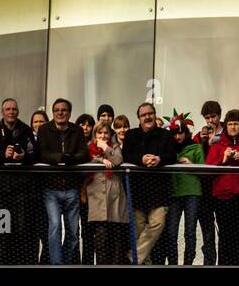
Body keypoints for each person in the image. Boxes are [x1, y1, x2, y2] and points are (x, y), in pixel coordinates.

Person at [0, 97, 37, 264]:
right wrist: (2, 156)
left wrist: (23, 157)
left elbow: (35, 154)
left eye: (14, 109)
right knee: (2, 229)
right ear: (2, 112)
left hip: (21, 191)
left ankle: (18, 264)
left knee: (20, 230)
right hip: (0, 192)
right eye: (8, 109)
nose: (11, 112)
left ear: (18, 111)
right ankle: (2, 264)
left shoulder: (26, 130)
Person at [122, 101, 178, 264]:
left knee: (157, 223)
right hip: (137, 191)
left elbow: (172, 156)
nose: (147, 117)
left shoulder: (165, 135)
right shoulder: (131, 135)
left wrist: (159, 160)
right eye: (143, 115)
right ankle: (145, 265)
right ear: (138, 118)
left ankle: (134, 258)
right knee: (139, 232)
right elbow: (126, 156)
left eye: (150, 114)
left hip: (159, 191)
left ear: (155, 115)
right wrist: (141, 159)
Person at [37, 98, 89, 265]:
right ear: (53, 113)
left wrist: (71, 159)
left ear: (69, 113)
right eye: (57, 110)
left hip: (72, 188)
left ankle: (65, 262)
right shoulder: (44, 129)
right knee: (55, 228)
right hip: (51, 188)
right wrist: (60, 158)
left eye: (64, 110)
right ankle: (57, 265)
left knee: (73, 232)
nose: (60, 113)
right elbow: (42, 153)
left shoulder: (77, 130)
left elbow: (84, 154)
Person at [207, 108, 239, 266]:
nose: (233, 127)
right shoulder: (217, 145)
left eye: (236, 124)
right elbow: (208, 170)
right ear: (226, 126)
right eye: (230, 124)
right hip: (222, 198)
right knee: (225, 237)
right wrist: (223, 159)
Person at [164, 113, 205, 265]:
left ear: (186, 132)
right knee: (171, 232)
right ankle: (173, 264)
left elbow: (204, 171)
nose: (177, 136)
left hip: (192, 193)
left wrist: (190, 164)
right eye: (174, 133)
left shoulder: (196, 147)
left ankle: (188, 264)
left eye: (180, 132)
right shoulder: (168, 150)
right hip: (174, 193)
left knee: (190, 232)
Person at [85, 121, 129, 264]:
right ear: (95, 134)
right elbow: (86, 162)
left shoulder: (114, 147)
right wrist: (101, 159)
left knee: (117, 245)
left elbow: (117, 160)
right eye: (100, 133)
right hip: (97, 200)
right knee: (101, 243)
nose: (103, 135)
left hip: (115, 198)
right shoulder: (88, 148)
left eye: (106, 133)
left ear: (110, 134)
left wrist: (105, 147)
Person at [194, 99, 223, 265]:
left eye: (213, 116)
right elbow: (198, 158)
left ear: (219, 115)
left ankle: (225, 262)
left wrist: (215, 140)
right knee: (207, 232)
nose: (210, 121)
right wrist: (203, 141)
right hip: (205, 190)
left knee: (225, 231)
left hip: (221, 188)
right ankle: (209, 263)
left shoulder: (227, 132)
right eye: (207, 118)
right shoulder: (201, 135)